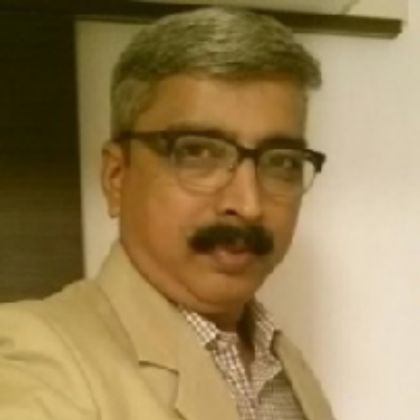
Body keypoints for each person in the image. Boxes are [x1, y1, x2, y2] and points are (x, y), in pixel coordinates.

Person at [0, 7, 334, 420]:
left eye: (281, 161)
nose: (248, 205)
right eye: (198, 152)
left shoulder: (286, 366)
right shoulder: (34, 359)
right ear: (117, 177)